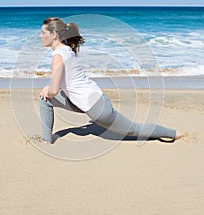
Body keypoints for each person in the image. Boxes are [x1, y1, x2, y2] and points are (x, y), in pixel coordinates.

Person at [39, 17, 187, 144]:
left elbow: (54, 90)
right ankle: (46, 140)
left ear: (54, 34)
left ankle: (174, 133)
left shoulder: (58, 55)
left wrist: (48, 89)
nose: (40, 36)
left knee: (133, 130)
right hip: (85, 101)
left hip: (97, 107)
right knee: (45, 100)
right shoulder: (66, 49)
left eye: (43, 33)